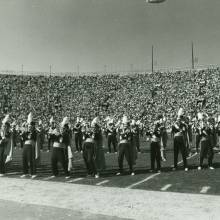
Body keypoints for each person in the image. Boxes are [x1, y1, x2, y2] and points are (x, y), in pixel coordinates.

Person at [20, 113, 38, 179]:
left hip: (31, 146)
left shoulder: (35, 132)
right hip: (25, 146)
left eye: (30, 126)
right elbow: (23, 139)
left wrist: (27, 134)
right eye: (28, 126)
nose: (29, 127)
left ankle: (33, 173)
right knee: (24, 159)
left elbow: (33, 138)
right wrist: (22, 134)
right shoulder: (25, 132)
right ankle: (25, 172)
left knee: (31, 159)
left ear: (33, 127)